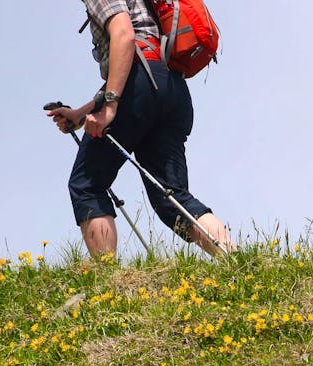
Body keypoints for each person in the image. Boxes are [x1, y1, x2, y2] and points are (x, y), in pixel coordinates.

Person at [47, 0, 234, 258]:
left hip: (140, 86)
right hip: (172, 90)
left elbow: (124, 36)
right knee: (173, 197)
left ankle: (107, 282)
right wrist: (82, 114)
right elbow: (141, 59)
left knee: (87, 185)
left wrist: (109, 108)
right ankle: (236, 261)